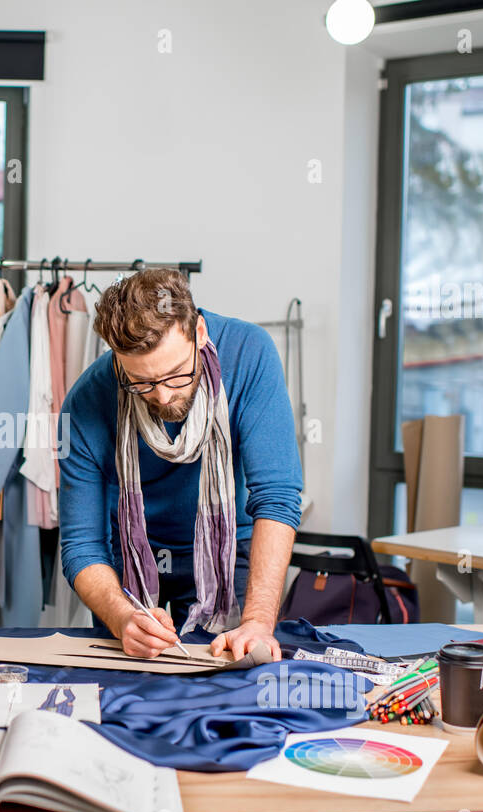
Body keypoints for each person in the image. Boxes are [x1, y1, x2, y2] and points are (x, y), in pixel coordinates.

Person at [59, 268, 302, 660]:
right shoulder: (86, 403)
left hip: (227, 549)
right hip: (132, 554)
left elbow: (277, 496)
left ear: (200, 332)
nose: (163, 396)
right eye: (141, 382)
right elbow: (82, 544)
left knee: (231, 675)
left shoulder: (249, 353)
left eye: (176, 375)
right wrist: (122, 619)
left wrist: (257, 621)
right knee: (126, 682)